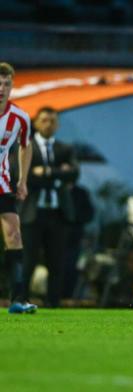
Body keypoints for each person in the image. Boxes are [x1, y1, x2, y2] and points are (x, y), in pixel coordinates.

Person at [19, 107, 79, 307]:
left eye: (52, 121)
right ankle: (21, 300)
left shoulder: (65, 149)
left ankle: (53, 304)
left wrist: (44, 171)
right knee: (27, 261)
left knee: (57, 263)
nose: (48, 124)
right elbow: (23, 176)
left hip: (57, 213)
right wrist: (57, 175)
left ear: (58, 124)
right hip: (32, 214)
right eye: (44, 120)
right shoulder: (25, 147)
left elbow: (74, 174)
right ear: (36, 123)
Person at [0, 62, 37, 313]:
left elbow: (26, 145)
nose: (2, 88)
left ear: (12, 86)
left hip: (2, 186)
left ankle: (18, 299)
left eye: (6, 84)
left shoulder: (20, 118)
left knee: (14, 235)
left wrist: (22, 180)